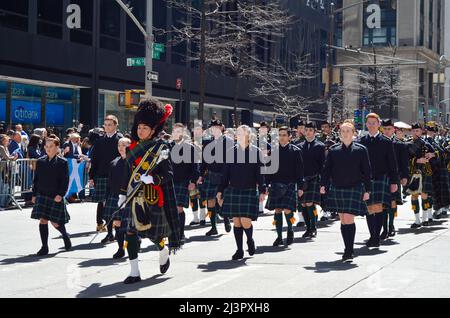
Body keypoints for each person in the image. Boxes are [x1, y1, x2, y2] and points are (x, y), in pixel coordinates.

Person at [118, 99, 181, 284]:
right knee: (130, 233)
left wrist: (153, 179)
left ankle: (163, 250)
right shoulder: (132, 148)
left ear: (153, 130)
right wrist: (122, 193)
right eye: (139, 127)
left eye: (145, 128)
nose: (140, 130)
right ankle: (134, 272)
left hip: (152, 197)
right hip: (133, 197)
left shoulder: (161, 148)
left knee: (154, 235)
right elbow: (127, 172)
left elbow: (168, 174)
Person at [320, 121, 371, 262]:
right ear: (340, 134)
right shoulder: (334, 150)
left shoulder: (361, 150)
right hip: (338, 187)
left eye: (348, 131)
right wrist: (323, 184)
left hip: (354, 188)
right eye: (343, 131)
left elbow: (367, 171)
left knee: (348, 218)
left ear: (354, 133)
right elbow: (327, 169)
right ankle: (347, 247)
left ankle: (349, 250)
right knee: (343, 219)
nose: (345, 133)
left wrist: (368, 190)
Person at [217, 125, 266, 260]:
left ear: (249, 136)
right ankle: (239, 250)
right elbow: (225, 174)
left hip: (249, 189)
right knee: (237, 222)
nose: (239, 136)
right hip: (233, 189)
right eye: (238, 133)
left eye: (242, 134)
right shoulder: (231, 152)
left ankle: (250, 240)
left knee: (245, 221)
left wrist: (262, 189)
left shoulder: (256, 152)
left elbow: (260, 173)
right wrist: (220, 190)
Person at [357, 113, 398, 249]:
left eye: (374, 122)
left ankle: (376, 236)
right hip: (367, 180)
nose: (372, 125)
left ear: (379, 124)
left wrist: (394, 182)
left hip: (381, 179)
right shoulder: (361, 141)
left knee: (378, 209)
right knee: (369, 209)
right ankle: (372, 235)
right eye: (369, 122)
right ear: (366, 124)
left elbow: (392, 164)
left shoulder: (386, 142)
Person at [30, 136, 71, 256]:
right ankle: (44, 246)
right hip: (42, 194)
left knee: (56, 222)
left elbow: (65, 180)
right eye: (46, 146)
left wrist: (61, 194)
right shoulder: (41, 161)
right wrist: (34, 194)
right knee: (43, 220)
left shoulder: (62, 162)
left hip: (55, 195)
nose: (48, 149)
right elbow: (36, 180)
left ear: (57, 147)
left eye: (51, 146)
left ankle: (65, 236)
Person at [265, 126, 304, 246]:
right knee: (277, 210)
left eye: (284, 135)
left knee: (287, 210)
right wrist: (266, 185)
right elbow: (269, 169)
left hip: (290, 184)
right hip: (276, 183)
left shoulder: (296, 151)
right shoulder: (274, 151)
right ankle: (279, 237)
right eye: (280, 135)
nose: (281, 138)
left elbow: (300, 171)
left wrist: (301, 187)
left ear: (289, 137)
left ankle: (290, 230)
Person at [198, 119, 234, 236]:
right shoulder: (207, 142)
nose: (214, 130)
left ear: (221, 127)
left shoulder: (229, 141)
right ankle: (213, 227)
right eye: (212, 128)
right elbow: (204, 161)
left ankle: (226, 219)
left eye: (217, 127)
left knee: (221, 200)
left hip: (224, 174)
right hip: (211, 174)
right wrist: (201, 175)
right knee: (210, 201)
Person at [89, 115, 122, 235]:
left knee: (111, 203)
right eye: (105, 125)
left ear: (115, 126)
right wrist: (91, 176)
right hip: (101, 175)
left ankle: (111, 231)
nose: (107, 127)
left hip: (116, 176)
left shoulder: (120, 140)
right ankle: (105, 229)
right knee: (102, 202)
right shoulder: (99, 142)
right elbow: (94, 160)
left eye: (110, 125)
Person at [169, 123, 200, 244]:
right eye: (174, 131)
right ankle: (173, 233)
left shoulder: (190, 148)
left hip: (183, 181)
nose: (176, 134)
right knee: (171, 210)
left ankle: (180, 233)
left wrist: (193, 181)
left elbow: (195, 165)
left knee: (178, 209)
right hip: (169, 181)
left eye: (178, 132)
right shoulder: (168, 146)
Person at [103, 137, 131, 258]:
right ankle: (121, 248)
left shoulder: (134, 162)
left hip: (130, 196)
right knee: (117, 223)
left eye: (124, 145)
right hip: (115, 196)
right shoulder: (114, 162)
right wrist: (106, 198)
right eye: (119, 145)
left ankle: (135, 243)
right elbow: (110, 182)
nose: (121, 148)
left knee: (130, 225)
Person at [381, 119, 409, 238]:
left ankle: (391, 225)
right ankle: (384, 229)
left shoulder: (399, 144)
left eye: (389, 129)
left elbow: (404, 163)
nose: (387, 131)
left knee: (392, 202)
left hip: (394, 176)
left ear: (393, 129)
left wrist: (404, 177)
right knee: (382, 204)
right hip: (381, 177)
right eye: (385, 129)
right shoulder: (378, 143)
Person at [298, 122, 326, 238]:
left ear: (315, 132)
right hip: (302, 178)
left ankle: (313, 227)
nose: (308, 132)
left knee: (310, 203)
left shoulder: (320, 146)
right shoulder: (299, 146)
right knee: (303, 204)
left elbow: (322, 165)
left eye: (310, 130)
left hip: (314, 177)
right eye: (306, 130)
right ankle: (308, 228)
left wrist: (323, 182)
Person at [406, 123, 437, 228]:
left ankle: (425, 219)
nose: (415, 133)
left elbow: (438, 153)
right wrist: (417, 160)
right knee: (414, 196)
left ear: (421, 131)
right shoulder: (408, 144)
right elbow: (405, 159)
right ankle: (417, 220)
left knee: (424, 195)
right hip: (413, 172)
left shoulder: (426, 144)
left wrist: (431, 155)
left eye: (417, 131)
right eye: (414, 131)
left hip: (425, 172)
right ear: (411, 132)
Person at [424, 122, 450, 219]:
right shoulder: (424, 140)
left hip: (440, 168)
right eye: (429, 131)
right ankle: (431, 213)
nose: (430, 133)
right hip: (430, 168)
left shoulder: (439, 141)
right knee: (431, 192)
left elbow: (444, 152)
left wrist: (434, 154)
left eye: (432, 131)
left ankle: (440, 209)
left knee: (440, 191)